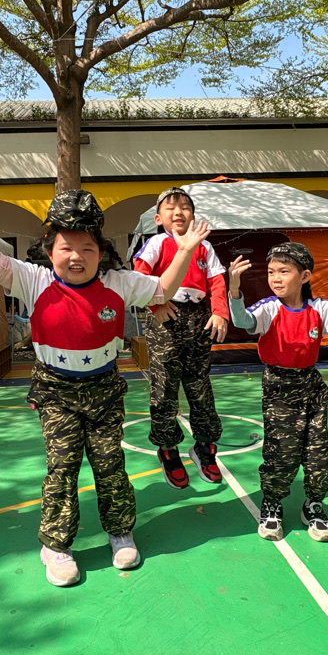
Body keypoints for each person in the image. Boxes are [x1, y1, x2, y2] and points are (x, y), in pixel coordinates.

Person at [0, 175, 210, 587]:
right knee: (62, 466)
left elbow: (163, 287)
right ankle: (56, 545)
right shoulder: (34, 280)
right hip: (56, 392)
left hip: (104, 390)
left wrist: (186, 250)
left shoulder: (119, 283)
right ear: (50, 250)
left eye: (87, 248)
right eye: (66, 247)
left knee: (110, 463)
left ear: (102, 252)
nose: (76, 257)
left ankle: (120, 531)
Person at [229, 243, 328, 542]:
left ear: (304, 276)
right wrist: (234, 289)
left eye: (284, 271)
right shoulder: (269, 308)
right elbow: (243, 321)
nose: (276, 278)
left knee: (319, 456)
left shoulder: (319, 308)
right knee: (281, 454)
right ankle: (272, 503)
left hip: (311, 386)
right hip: (278, 387)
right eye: (271, 272)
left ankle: (313, 504)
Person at [133, 187, 229, 488]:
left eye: (185, 207)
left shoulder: (204, 246)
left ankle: (205, 446)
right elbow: (139, 274)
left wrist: (220, 313)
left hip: (199, 318)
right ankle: (167, 448)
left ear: (193, 216)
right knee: (164, 387)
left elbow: (217, 281)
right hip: (167, 316)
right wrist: (155, 304)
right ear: (158, 218)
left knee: (200, 386)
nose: (178, 212)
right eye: (171, 207)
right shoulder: (156, 243)